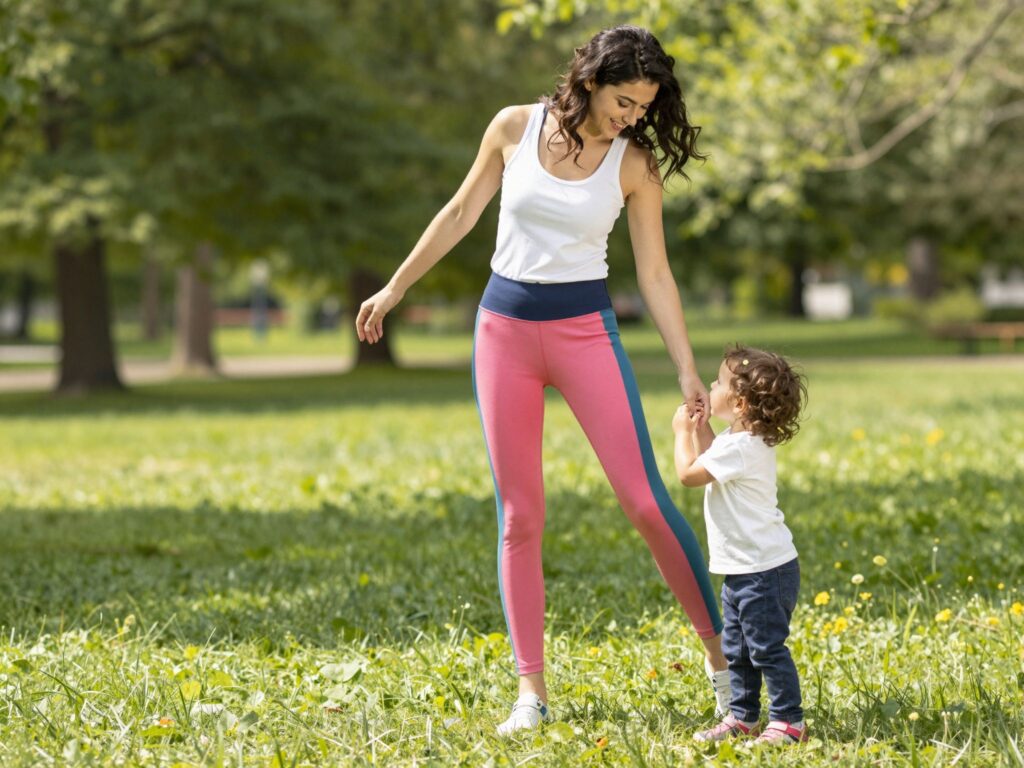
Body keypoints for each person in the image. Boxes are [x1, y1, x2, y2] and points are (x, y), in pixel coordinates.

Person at [356, 24, 729, 735]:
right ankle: (530, 692)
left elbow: (655, 273)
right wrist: (396, 287)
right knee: (520, 516)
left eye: (644, 107)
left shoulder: (635, 165)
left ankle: (724, 664)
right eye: (624, 101)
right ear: (590, 81)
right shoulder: (513, 127)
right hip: (503, 334)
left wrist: (685, 365)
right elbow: (460, 212)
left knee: (647, 502)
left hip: (585, 332)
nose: (632, 117)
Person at [672, 345, 809, 745]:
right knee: (738, 650)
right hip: (745, 569)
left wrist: (682, 433)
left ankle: (789, 721)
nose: (711, 386)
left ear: (740, 403)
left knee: (765, 650)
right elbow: (712, 456)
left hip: (764, 572)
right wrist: (701, 428)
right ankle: (743, 717)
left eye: (717, 383)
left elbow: (689, 474)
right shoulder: (739, 439)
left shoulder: (743, 448)